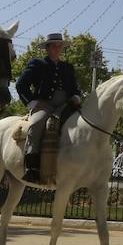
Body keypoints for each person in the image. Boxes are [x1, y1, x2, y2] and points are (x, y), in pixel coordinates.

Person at [15, 33, 80, 183]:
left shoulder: (68, 67)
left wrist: (76, 97)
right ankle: (32, 169)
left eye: (60, 46)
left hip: (65, 105)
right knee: (36, 125)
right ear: (47, 48)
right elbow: (21, 85)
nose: (58, 49)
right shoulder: (38, 64)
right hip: (45, 104)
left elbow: (75, 89)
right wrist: (32, 103)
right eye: (54, 46)